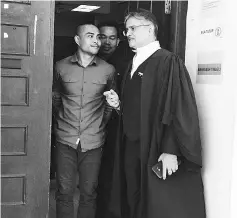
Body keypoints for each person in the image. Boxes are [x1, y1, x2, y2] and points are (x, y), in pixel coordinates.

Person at [104, 9, 206, 218]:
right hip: (131, 146)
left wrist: (171, 150)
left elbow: (178, 108)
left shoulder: (168, 62)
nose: (128, 33)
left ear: (150, 29)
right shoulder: (131, 64)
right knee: (133, 197)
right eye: (127, 30)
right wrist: (118, 106)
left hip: (155, 145)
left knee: (156, 203)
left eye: (133, 28)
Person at [52, 23, 116, 218]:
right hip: (65, 138)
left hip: (94, 140)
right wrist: (61, 123)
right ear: (78, 40)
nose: (97, 40)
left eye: (98, 36)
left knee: (89, 193)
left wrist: (99, 126)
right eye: (90, 36)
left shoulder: (108, 70)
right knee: (64, 191)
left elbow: (109, 104)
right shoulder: (60, 66)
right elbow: (55, 99)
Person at [96, 21, 133, 218]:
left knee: (110, 171)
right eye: (102, 36)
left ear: (119, 41)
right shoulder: (87, 59)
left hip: (116, 126)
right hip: (88, 125)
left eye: (112, 38)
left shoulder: (127, 64)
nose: (107, 42)